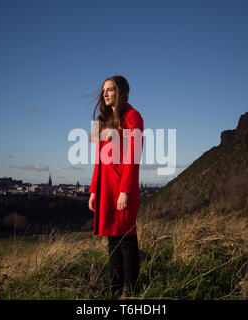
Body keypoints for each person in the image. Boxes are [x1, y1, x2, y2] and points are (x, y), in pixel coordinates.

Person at [88, 75, 144, 297]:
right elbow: (98, 160)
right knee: (112, 240)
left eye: (110, 89)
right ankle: (115, 290)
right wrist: (93, 190)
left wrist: (125, 190)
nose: (105, 94)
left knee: (127, 240)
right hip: (105, 189)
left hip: (123, 188)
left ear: (122, 92)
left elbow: (133, 156)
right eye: (104, 90)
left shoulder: (133, 116)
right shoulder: (100, 121)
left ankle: (131, 292)